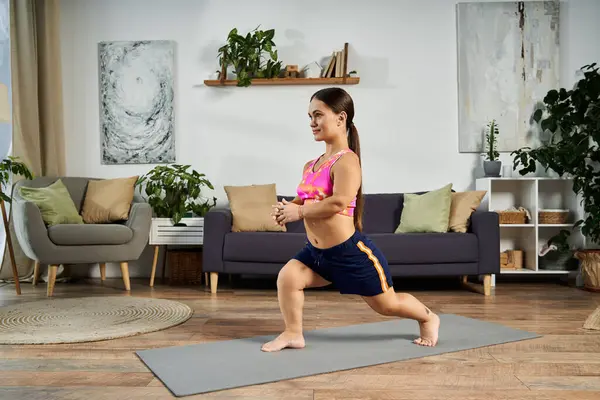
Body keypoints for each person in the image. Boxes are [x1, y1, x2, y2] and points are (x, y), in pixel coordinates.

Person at [261, 87, 440, 352]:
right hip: (317, 253)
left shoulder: (347, 161)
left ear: (341, 118)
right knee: (288, 277)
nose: (312, 122)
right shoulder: (311, 164)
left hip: (350, 253)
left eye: (318, 115)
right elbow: (306, 198)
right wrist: (288, 207)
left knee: (386, 305)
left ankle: (428, 316)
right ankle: (292, 333)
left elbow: (339, 202)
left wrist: (298, 213)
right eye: (310, 116)